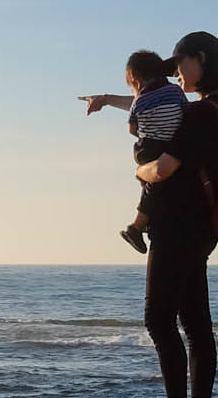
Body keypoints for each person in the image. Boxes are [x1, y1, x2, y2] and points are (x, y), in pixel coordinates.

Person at [121, 30, 218, 398]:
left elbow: (165, 168)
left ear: (201, 59)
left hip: (177, 227)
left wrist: (142, 173)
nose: (178, 73)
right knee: (196, 324)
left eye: (182, 63)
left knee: (158, 318)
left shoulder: (201, 115)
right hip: (199, 229)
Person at [79, 50, 186, 254]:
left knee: (153, 184)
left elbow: (132, 129)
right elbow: (184, 111)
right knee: (155, 185)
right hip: (166, 145)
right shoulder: (176, 92)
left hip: (146, 147)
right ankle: (139, 225)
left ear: (136, 81)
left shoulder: (140, 102)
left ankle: (136, 227)